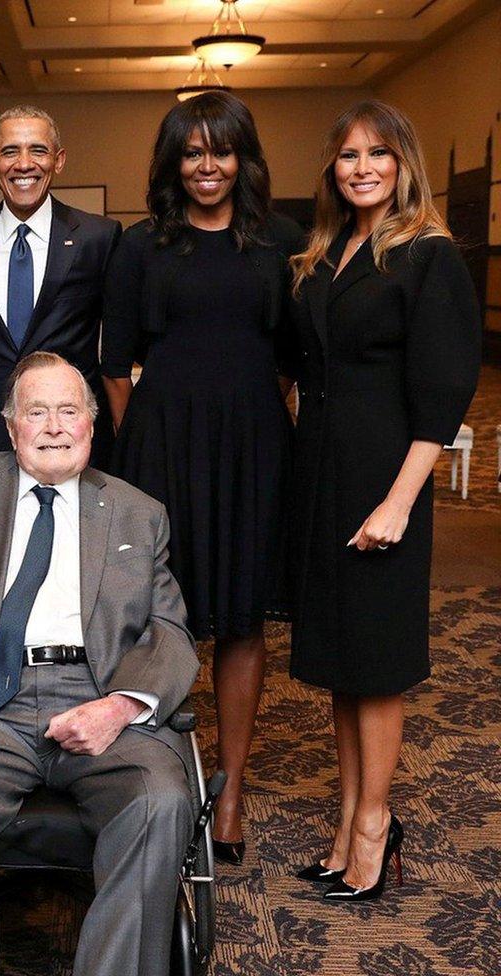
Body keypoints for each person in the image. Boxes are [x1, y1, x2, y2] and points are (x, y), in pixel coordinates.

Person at [0, 351, 200, 976]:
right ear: (11, 426)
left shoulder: (139, 511)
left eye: (68, 410)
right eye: (36, 412)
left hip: (99, 695)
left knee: (161, 798)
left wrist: (122, 706)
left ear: (91, 422)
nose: (54, 426)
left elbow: (170, 630)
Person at [100, 91, 303, 865]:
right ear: (173, 161)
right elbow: (115, 361)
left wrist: (250, 420)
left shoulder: (281, 239)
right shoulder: (143, 243)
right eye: (192, 152)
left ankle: (233, 789)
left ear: (243, 158)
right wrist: (143, 445)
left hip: (254, 445)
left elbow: (291, 360)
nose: (207, 167)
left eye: (221, 151)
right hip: (160, 448)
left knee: (243, 619)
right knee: (158, 616)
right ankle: (157, 780)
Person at [288, 100, 480, 901]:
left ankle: (375, 826)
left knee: (377, 665)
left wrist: (400, 501)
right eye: (346, 156)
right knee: (340, 663)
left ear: (404, 163)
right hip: (323, 475)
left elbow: (442, 396)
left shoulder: (429, 255)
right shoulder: (327, 252)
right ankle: (346, 822)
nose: (361, 167)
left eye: (378, 154)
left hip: (384, 478)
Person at [0, 106, 121, 467]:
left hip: (69, 435)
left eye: (38, 150)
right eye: (10, 151)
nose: (24, 164)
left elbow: (119, 341)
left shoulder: (98, 237)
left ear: (59, 160)